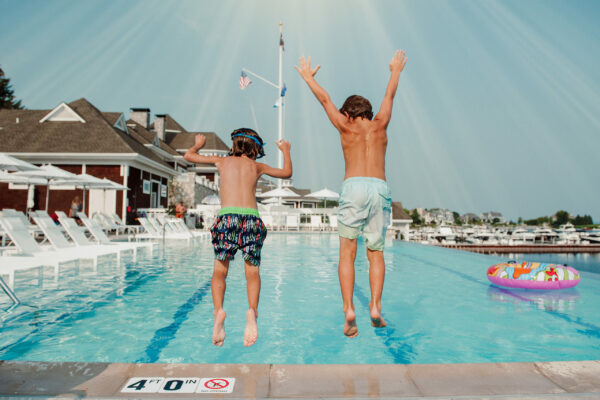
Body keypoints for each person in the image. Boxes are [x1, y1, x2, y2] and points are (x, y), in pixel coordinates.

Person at [295, 50, 407, 338]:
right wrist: (395, 70)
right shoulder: (381, 123)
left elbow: (324, 100)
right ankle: (375, 306)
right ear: (368, 112)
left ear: (348, 113)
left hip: (354, 186)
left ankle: (348, 309)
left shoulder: (344, 125)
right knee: (376, 253)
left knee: (347, 255)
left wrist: (308, 77)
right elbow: (390, 95)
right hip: (379, 189)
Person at [184, 128, 292, 347]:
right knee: (252, 272)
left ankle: (219, 312)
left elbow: (188, 156)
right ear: (255, 149)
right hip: (251, 219)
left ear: (234, 145)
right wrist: (286, 150)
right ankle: (252, 312)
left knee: (219, 271)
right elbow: (287, 173)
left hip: (227, 219)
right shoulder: (257, 166)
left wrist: (197, 144)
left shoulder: (222, 162)